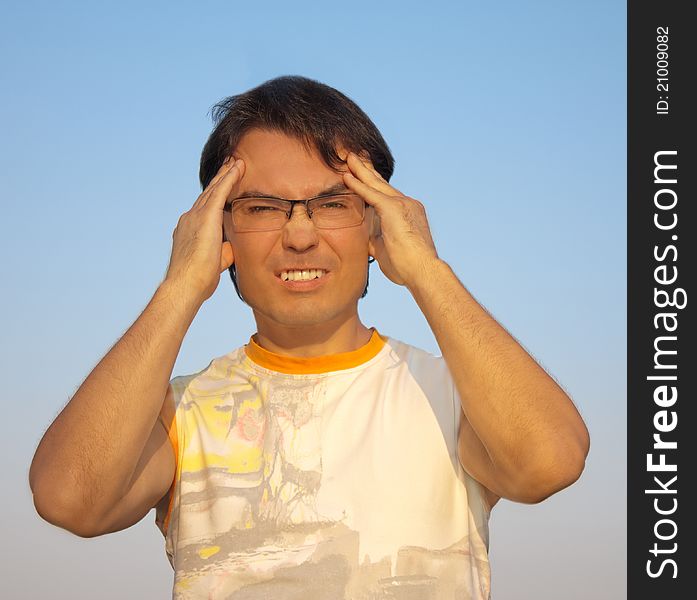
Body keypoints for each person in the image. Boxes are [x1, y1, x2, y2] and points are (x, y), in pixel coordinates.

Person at [29, 75, 590, 599]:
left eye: (331, 204)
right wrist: (179, 287)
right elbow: (71, 499)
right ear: (218, 230)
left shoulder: (454, 396)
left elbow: (550, 462)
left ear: (376, 223)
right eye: (263, 208)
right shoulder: (180, 413)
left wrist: (428, 269)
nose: (300, 235)